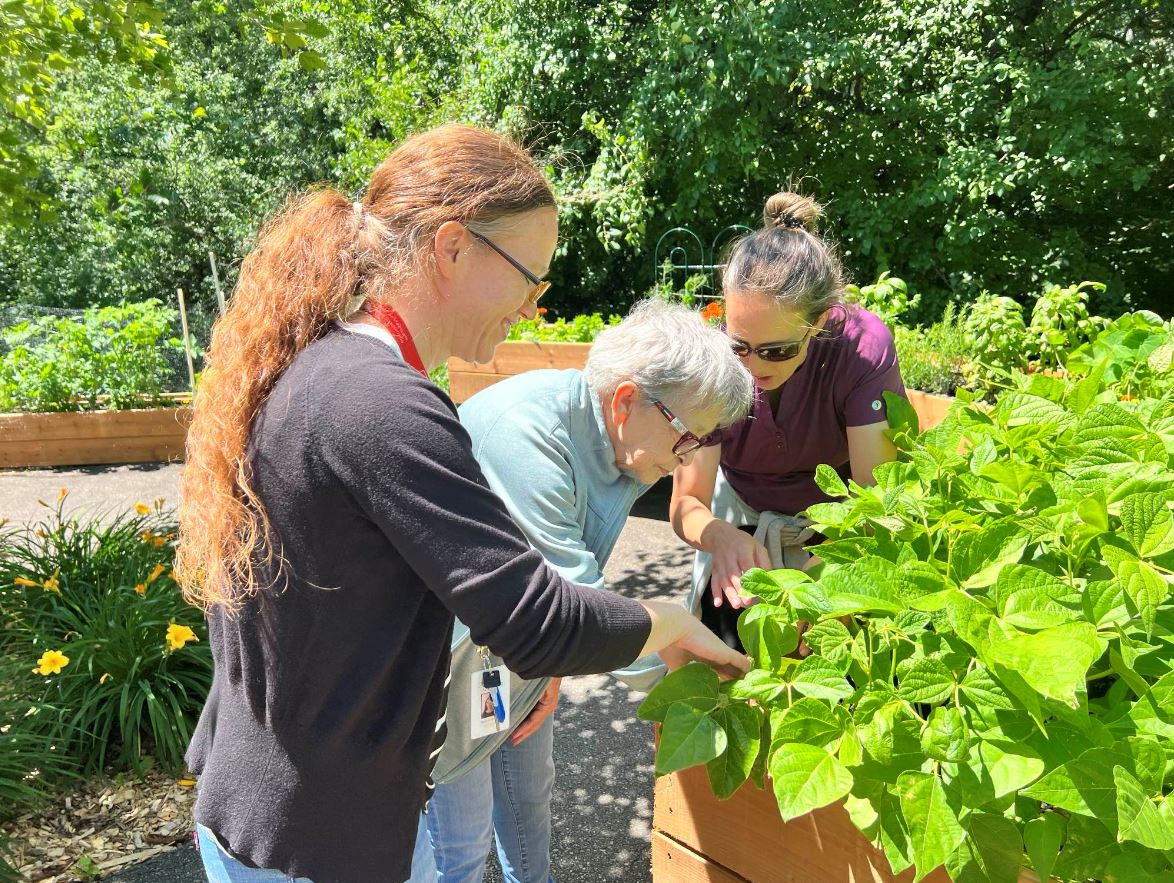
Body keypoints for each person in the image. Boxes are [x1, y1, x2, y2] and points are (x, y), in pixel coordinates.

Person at [174, 124, 748, 883]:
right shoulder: (384, 404)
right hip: (315, 837)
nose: (534, 308)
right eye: (528, 277)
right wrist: (670, 622)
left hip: (276, 804)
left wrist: (522, 680)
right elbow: (538, 619)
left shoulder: (322, 365)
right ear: (452, 247)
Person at [409, 299, 754, 883]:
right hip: (452, 663)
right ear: (625, 401)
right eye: (686, 439)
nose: (687, 459)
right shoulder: (528, 435)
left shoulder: (618, 447)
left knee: (528, 805)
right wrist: (675, 696)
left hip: (522, 650)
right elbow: (578, 590)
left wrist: (553, 667)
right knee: (460, 846)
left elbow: (558, 591)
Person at [670, 191, 908, 644]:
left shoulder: (861, 348)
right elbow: (686, 504)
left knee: (829, 660)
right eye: (740, 345)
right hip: (738, 508)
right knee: (725, 661)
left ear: (819, 322)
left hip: (840, 518)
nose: (753, 367)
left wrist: (826, 578)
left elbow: (875, 498)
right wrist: (720, 537)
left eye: (777, 351)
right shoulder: (712, 357)